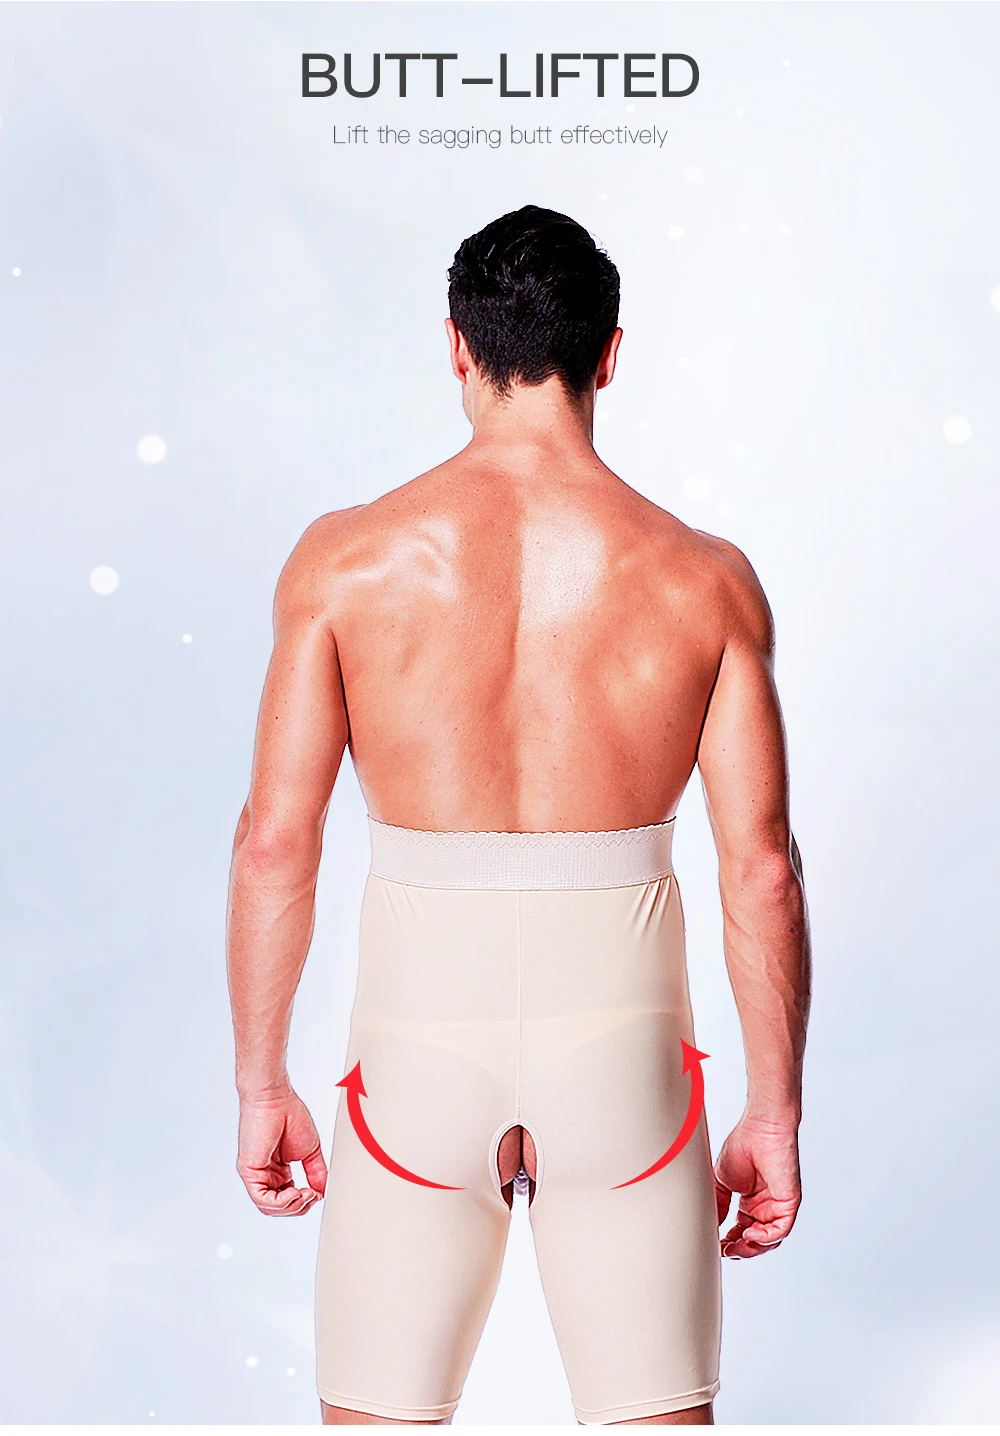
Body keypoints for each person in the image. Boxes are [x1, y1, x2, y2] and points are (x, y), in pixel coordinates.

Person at [226, 204, 811, 1427]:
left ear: (456, 345)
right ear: (609, 354)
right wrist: (774, 1108)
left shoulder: (344, 562)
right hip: (627, 1062)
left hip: (412, 1055)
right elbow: (760, 868)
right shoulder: (704, 578)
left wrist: (259, 1081)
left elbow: (275, 842)